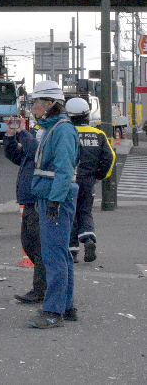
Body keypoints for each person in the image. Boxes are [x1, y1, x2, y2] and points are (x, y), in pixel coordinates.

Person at [27, 80, 80, 329]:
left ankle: (53, 311)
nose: (32, 106)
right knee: (61, 255)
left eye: (35, 102)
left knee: (54, 256)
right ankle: (65, 307)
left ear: (49, 104)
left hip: (55, 197)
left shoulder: (61, 130)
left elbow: (64, 169)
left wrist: (56, 201)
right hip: (52, 196)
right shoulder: (55, 128)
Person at [3, 114, 47, 305]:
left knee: (39, 247)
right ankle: (44, 286)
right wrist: (11, 137)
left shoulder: (53, 134)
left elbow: (36, 152)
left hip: (40, 200)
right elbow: (17, 156)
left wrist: (22, 133)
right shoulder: (39, 133)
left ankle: (41, 290)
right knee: (29, 243)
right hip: (30, 200)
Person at [65, 97, 115, 263]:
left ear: (69, 115)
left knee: (69, 213)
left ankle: (72, 252)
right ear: (87, 114)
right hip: (88, 180)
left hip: (69, 179)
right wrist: (100, 175)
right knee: (85, 211)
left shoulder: (66, 132)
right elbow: (109, 157)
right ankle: (88, 240)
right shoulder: (98, 134)